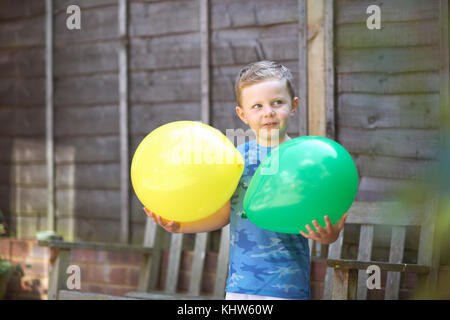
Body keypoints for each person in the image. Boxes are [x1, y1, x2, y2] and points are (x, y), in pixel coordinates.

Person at [143, 60, 347, 300]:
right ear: (243, 114)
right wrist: (180, 227)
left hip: (285, 287)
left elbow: (325, 213)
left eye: (277, 103)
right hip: (239, 287)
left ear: (293, 105)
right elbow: (223, 215)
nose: (268, 112)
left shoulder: (305, 160)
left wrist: (330, 235)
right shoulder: (236, 159)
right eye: (257, 106)